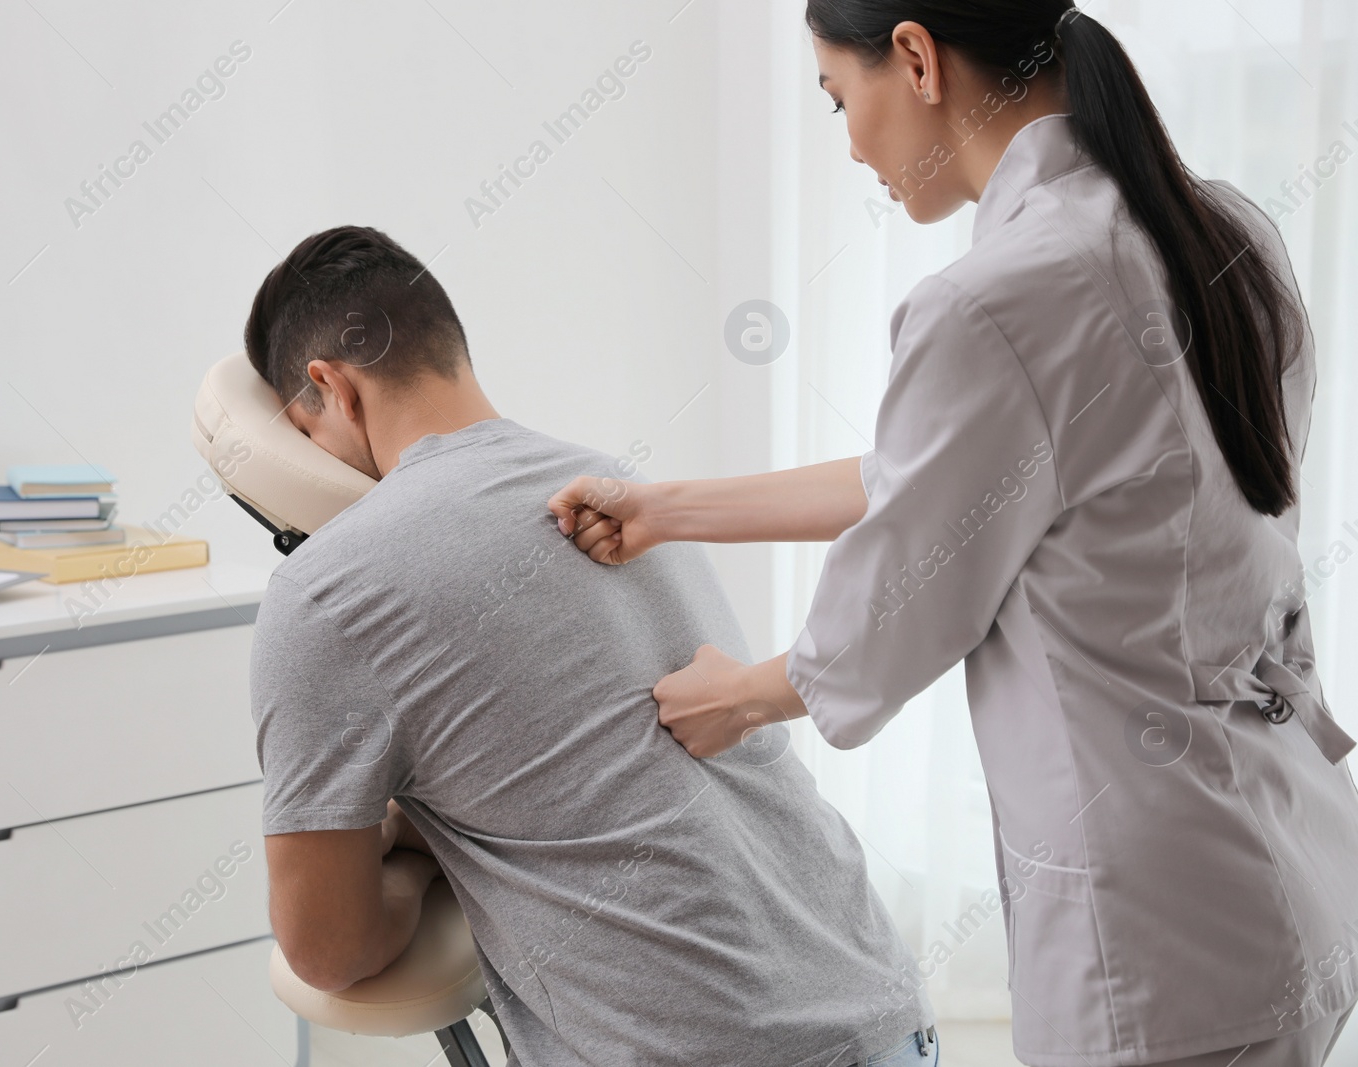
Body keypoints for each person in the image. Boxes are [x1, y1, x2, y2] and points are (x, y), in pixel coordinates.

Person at [548, 3, 1358, 1066]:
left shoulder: (996, 298)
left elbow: (896, 602)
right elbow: (947, 480)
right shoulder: (1222, 229)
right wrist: (668, 508)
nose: (847, 142)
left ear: (917, 57)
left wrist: (734, 697)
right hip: (1290, 859)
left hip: (1152, 932)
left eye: (840, 97)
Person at [244, 225, 939, 1067]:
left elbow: (328, 948)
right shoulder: (611, 485)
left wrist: (409, 851)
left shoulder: (325, 587)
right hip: (885, 1010)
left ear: (331, 388)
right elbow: (583, 772)